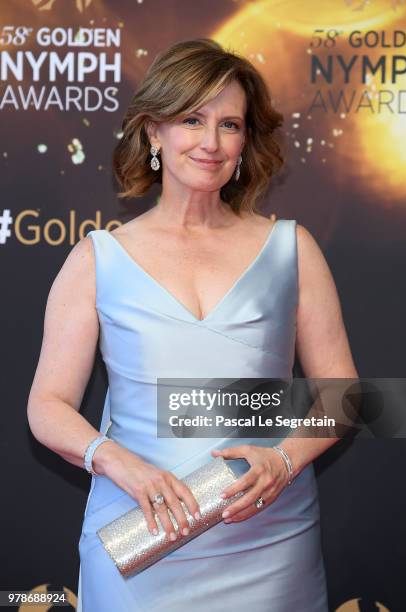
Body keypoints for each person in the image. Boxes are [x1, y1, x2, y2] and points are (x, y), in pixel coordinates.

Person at [27, 38, 358, 611]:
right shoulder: (97, 258)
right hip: (139, 535)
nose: (210, 142)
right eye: (191, 119)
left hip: (267, 539)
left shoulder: (292, 249)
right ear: (153, 132)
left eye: (229, 124)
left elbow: (347, 396)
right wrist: (119, 463)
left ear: (245, 140)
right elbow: (48, 404)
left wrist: (284, 459)